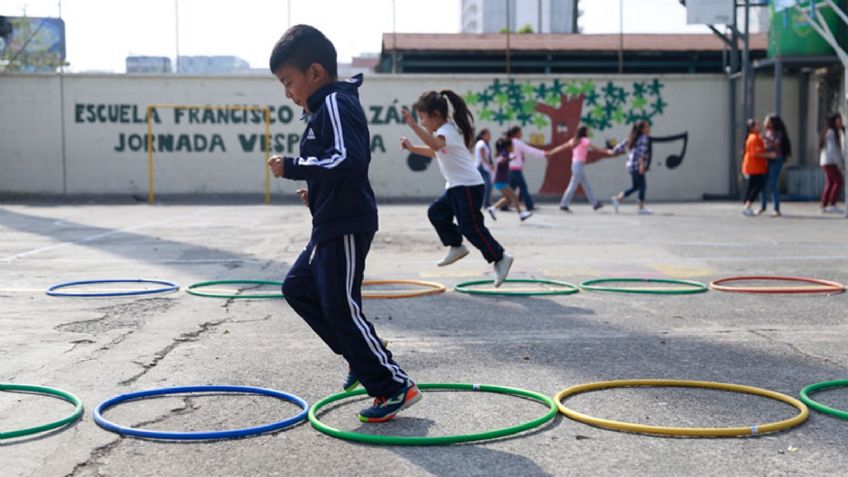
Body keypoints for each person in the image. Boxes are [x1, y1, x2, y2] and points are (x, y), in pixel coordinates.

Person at [266, 24, 419, 423]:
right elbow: (333, 165)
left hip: (346, 222)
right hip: (329, 220)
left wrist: (296, 166)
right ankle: (359, 355)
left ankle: (393, 385)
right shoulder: (321, 110)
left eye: (288, 82)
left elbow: (350, 158)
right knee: (297, 287)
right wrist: (315, 192)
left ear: (315, 73)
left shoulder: (335, 102)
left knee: (340, 306)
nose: (287, 93)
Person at [401, 90, 514, 287]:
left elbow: (435, 145)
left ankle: (500, 257)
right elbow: (435, 151)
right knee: (436, 213)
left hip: (468, 186)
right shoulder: (444, 132)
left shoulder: (447, 131)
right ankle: (456, 246)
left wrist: (413, 126)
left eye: (422, 118)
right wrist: (412, 149)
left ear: (436, 115)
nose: (422, 123)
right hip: (456, 186)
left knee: (470, 226)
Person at [548, 125, 611, 212]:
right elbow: (595, 148)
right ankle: (563, 204)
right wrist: (606, 151)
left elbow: (562, 147)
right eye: (587, 131)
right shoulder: (584, 140)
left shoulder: (574, 141)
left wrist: (551, 152)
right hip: (579, 165)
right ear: (584, 132)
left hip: (576, 165)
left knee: (586, 185)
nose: (588, 132)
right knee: (573, 186)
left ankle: (595, 204)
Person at [610, 120, 652, 215]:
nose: (649, 128)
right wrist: (642, 166)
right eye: (647, 127)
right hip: (637, 165)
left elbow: (618, 148)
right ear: (642, 129)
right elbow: (641, 153)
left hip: (630, 165)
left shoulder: (632, 137)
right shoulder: (644, 138)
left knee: (635, 186)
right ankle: (641, 208)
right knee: (642, 186)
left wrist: (612, 151)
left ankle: (617, 199)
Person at [486, 136, 533, 221]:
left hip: (500, 181)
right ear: (508, 146)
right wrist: (508, 159)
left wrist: (508, 159)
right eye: (512, 145)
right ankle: (521, 214)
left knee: (508, 198)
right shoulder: (505, 153)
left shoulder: (504, 153)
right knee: (514, 196)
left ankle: (493, 208)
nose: (513, 147)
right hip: (500, 181)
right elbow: (501, 160)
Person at [506, 126, 549, 211]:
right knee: (523, 188)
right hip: (516, 169)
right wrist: (543, 153)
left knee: (511, 189)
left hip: (510, 168)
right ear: (516, 133)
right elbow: (530, 150)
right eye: (520, 132)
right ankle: (529, 205)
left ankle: (504, 205)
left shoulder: (509, 141)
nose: (521, 134)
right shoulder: (517, 142)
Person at [759, 114, 791, 217]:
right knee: (762, 183)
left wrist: (767, 139)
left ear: (772, 123)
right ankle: (762, 206)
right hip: (767, 158)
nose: (764, 122)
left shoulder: (778, 133)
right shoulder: (767, 132)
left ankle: (776, 208)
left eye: (767, 121)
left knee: (773, 182)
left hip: (776, 159)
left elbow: (777, 144)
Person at [741, 119, 769, 216]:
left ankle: (746, 206)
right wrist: (770, 155)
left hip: (753, 166)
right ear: (752, 128)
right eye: (757, 125)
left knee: (752, 186)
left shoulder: (754, 137)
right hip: (755, 166)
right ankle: (747, 206)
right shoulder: (754, 138)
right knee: (757, 186)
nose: (759, 126)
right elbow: (757, 153)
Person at [820, 112, 845, 214]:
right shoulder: (831, 133)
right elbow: (833, 151)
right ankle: (832, 204)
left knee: (830, 183)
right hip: (830, 162)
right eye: (839, 120)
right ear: (834, 121)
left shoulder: (830, 132)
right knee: (839, 182)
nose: (841, 122)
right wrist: (840, 165)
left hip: (826, 161)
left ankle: (824, 205)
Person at [473, 129, 495, 207]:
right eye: (488, 134)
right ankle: (485, 203)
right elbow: (483, 156)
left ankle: (485, 203)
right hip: (481, 167)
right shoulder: (481, 143)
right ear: (483, 135)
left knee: (486, 186)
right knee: (487, 186)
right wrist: (490, 164)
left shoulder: (485, 144)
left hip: (484, 167)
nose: (490, 136)